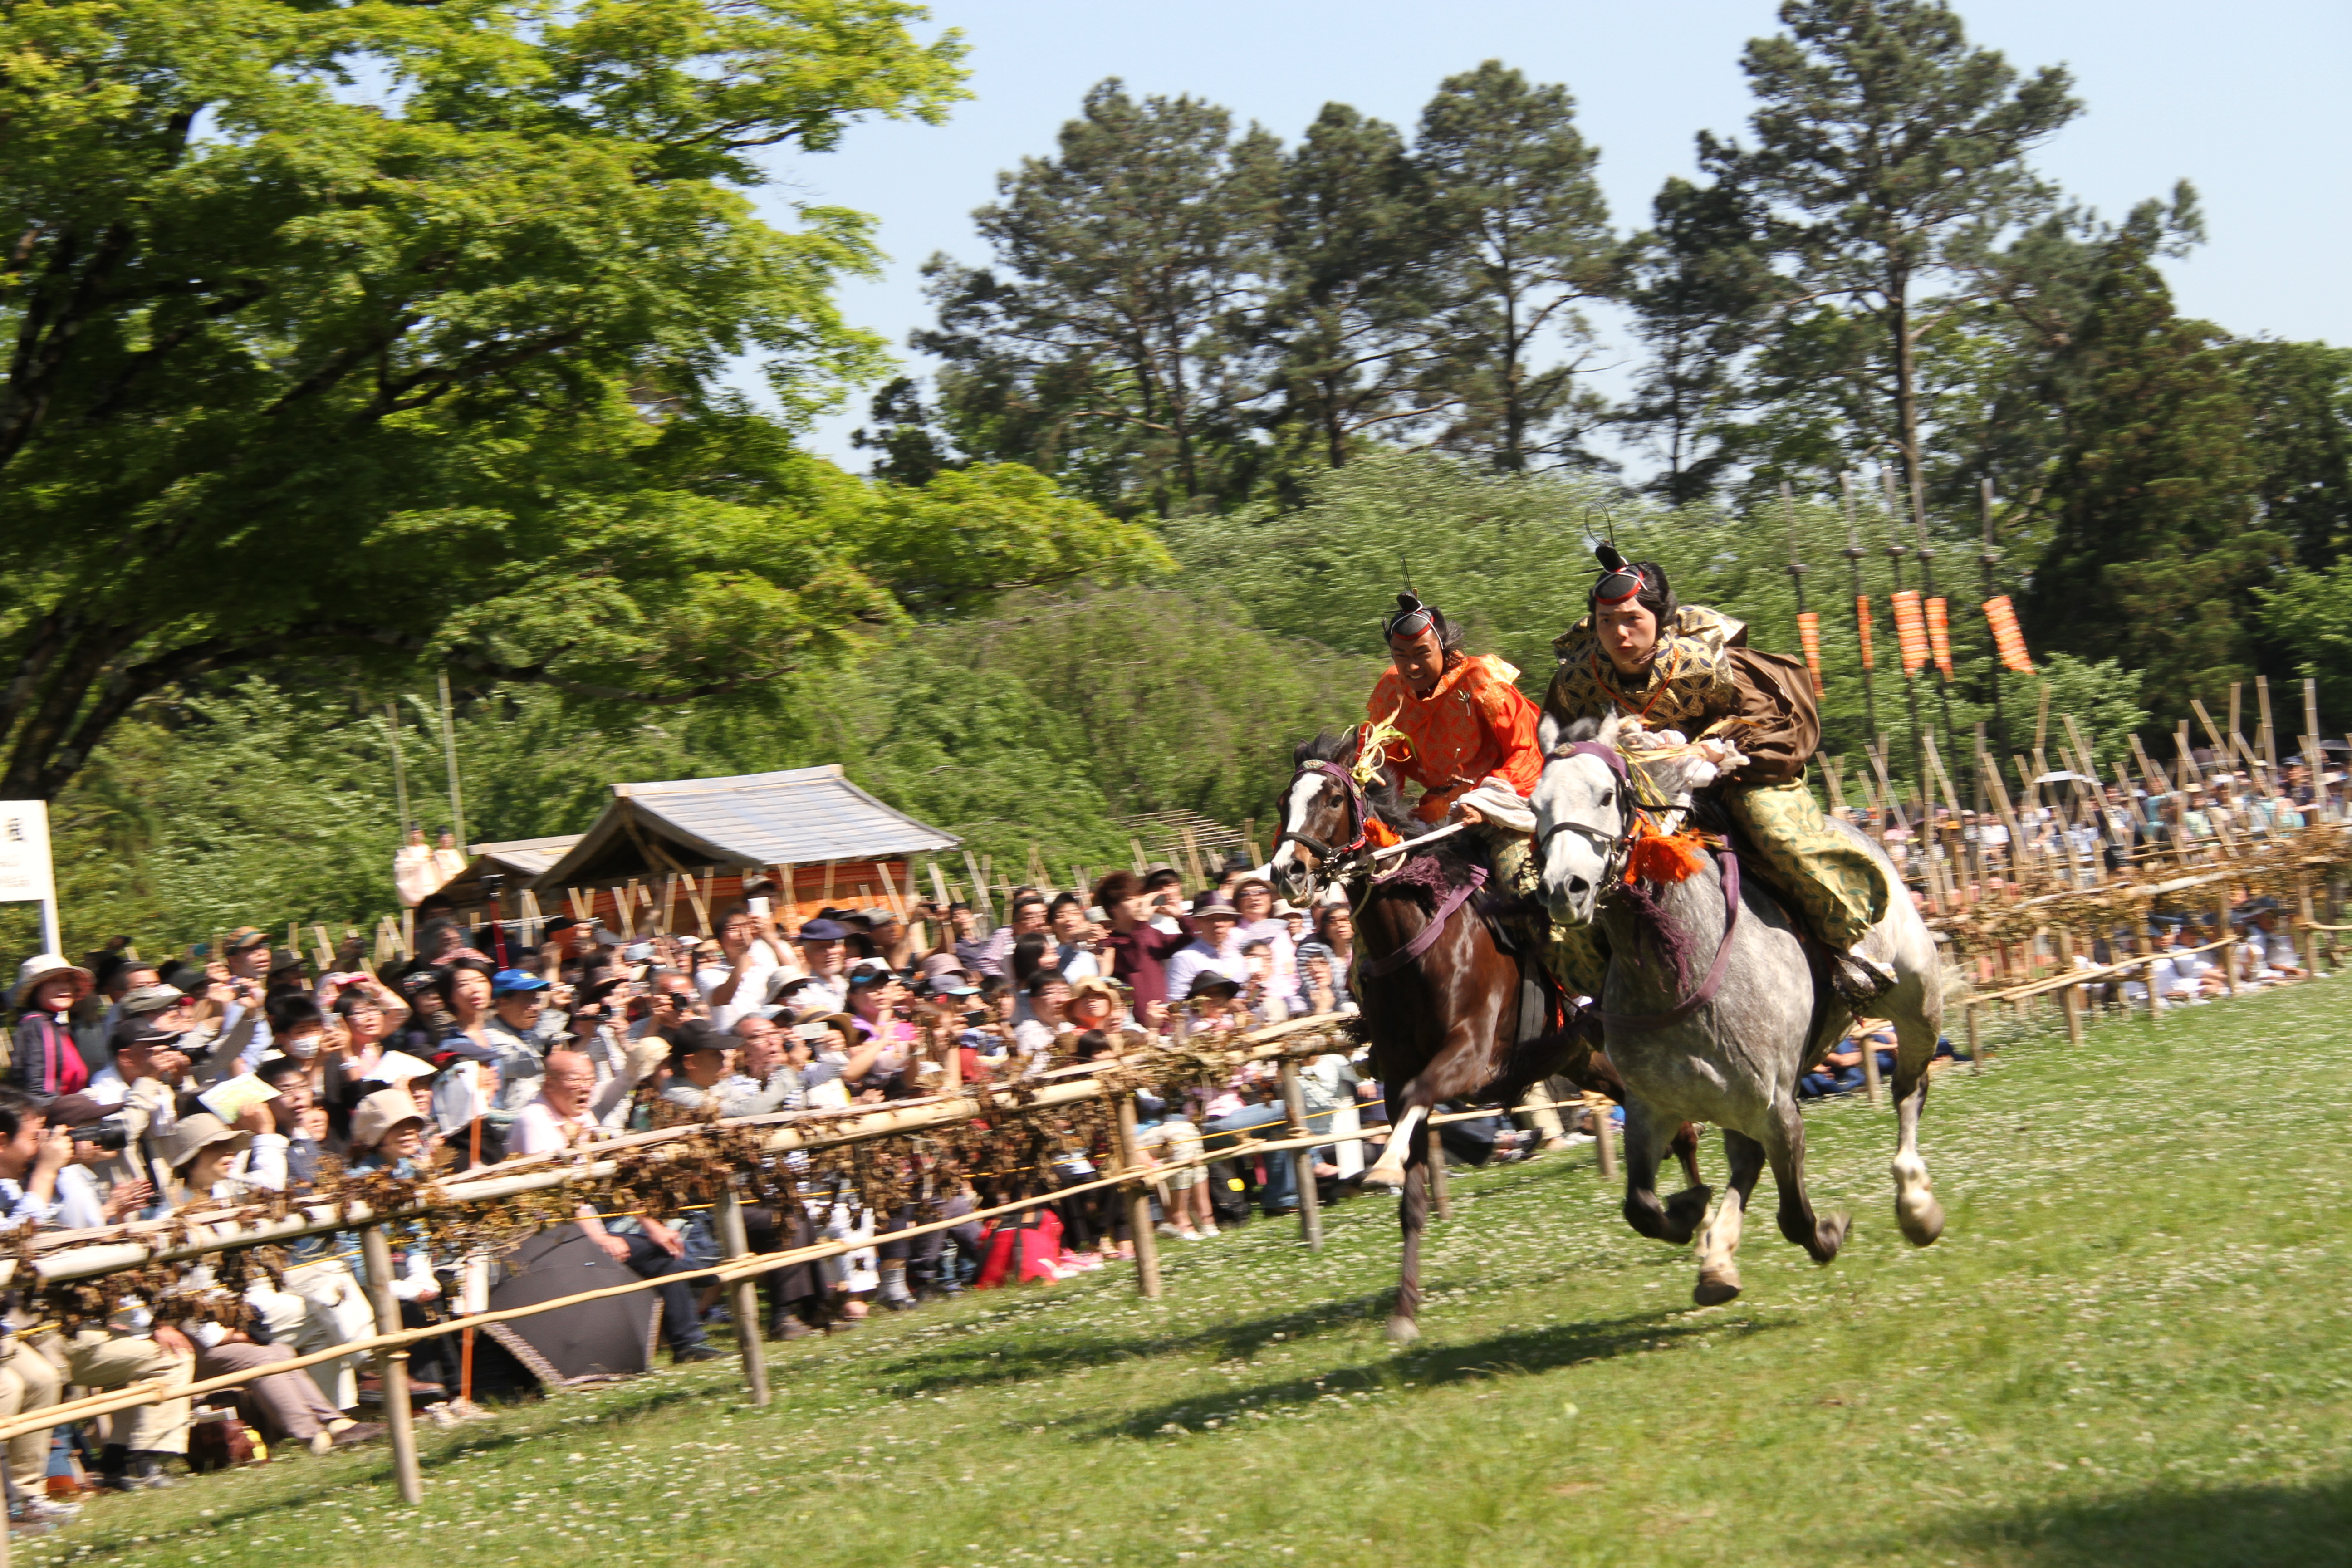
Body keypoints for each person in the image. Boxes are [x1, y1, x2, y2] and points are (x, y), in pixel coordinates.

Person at [1542, 545, 1895, 1006]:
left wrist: (1715, 750)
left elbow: (1767, 720)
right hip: (1633, 796)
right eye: (1607, 622)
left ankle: (1848, 947)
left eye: (1632, 620)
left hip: (1728, 775)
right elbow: (1564, 745)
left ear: (1660, 620)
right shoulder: (1576, 680)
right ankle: (1584, 989)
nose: (1619, 634)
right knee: (1561, 860)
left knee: (1774, 829)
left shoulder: (1706, 662)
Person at [1364, 590, 1545, 892]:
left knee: (1521, 888)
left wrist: (1483, 803)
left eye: (1422, 654)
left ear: (1444, 648)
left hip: (1499, 809)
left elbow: (1528, 752)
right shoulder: (1390, 693)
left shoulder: (1482, 680)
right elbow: (1385, 770)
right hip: (1434, 816)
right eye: (1401, 656)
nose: (1411, 667)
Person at [10, 953, 94, 1096]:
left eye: (68, 981)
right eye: (54, 981)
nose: (64, 987)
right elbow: (40, 1091)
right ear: (35, 990)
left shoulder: (56, 1027)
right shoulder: (37, 1025)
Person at [1163, 892, 1248, 1009]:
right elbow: (1176, 1006)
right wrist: (1223, 1006)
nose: (1218, 924)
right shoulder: (1186, 958)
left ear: (1232, 923)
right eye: (1210, 919)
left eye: (1224, 919)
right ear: (1197, 922)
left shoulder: (1237, 957)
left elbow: (1243, 996)